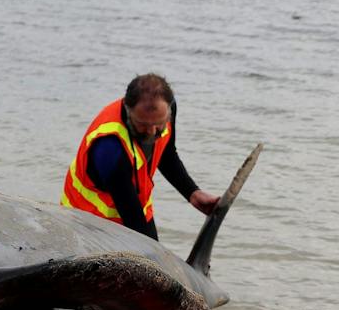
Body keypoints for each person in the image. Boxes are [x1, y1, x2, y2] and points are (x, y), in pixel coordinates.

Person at [60, 73, 220, 239]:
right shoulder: (109, 146)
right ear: (128, 110)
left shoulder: (167, 109)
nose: (152, 132)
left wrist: (192, 192)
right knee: (149, 259)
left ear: (169, 109)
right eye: (143, 124)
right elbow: (133, 218)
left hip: (136, 208)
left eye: (159, 124)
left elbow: (166, 153)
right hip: (90, 224)